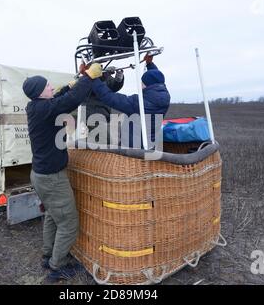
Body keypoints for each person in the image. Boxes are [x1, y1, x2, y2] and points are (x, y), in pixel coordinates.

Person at [23, 63, 102, 283]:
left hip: (39, 175)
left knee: (51, 215)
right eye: (48, 86)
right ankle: (57, 267)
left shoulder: (36, 106)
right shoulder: (45, 109)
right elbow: (71, 101)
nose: (51, 87)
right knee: (68, 222)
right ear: (40, 92)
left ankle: (48, 255)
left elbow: (60, 96)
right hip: (51, 179)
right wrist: (87, 77)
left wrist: (71, 83)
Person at [90, 55, 170, 149]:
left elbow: (108, 97)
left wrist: (93, 77)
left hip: (133, 148)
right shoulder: (165, 96)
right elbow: (156, 78)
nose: (140, 84)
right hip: (150, 144)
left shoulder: (138, 103)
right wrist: (150, 64)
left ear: (146, 84)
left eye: (142, 82)